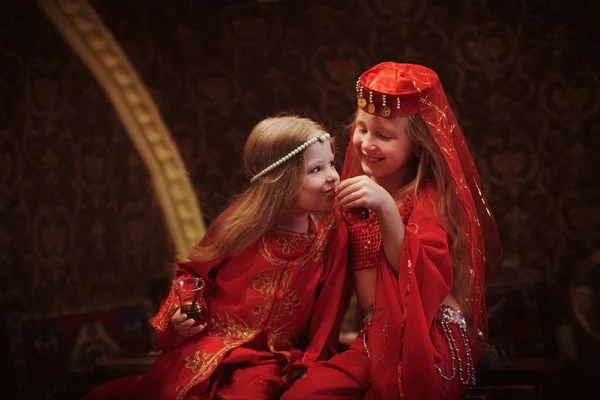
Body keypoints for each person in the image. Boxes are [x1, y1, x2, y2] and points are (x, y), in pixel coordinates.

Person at [85, 115, 352, 399]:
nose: (333, 176)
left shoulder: (330, 236)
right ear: (281, 181)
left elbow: (329, 312)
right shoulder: (241, 225)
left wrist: (310, 363)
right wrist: (181, 312)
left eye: (332, 164)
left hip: (269, 362)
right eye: (316, 169)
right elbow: (193, 273)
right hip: (211, 348)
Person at [282, 62, 502, 400]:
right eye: (361, 129)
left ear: (417, 144)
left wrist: (386, 208)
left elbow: (426, 280)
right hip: (375, 338)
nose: (366, 144)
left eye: (383, 135)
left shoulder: (429, 199)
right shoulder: (353, 192)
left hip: (428, 339)